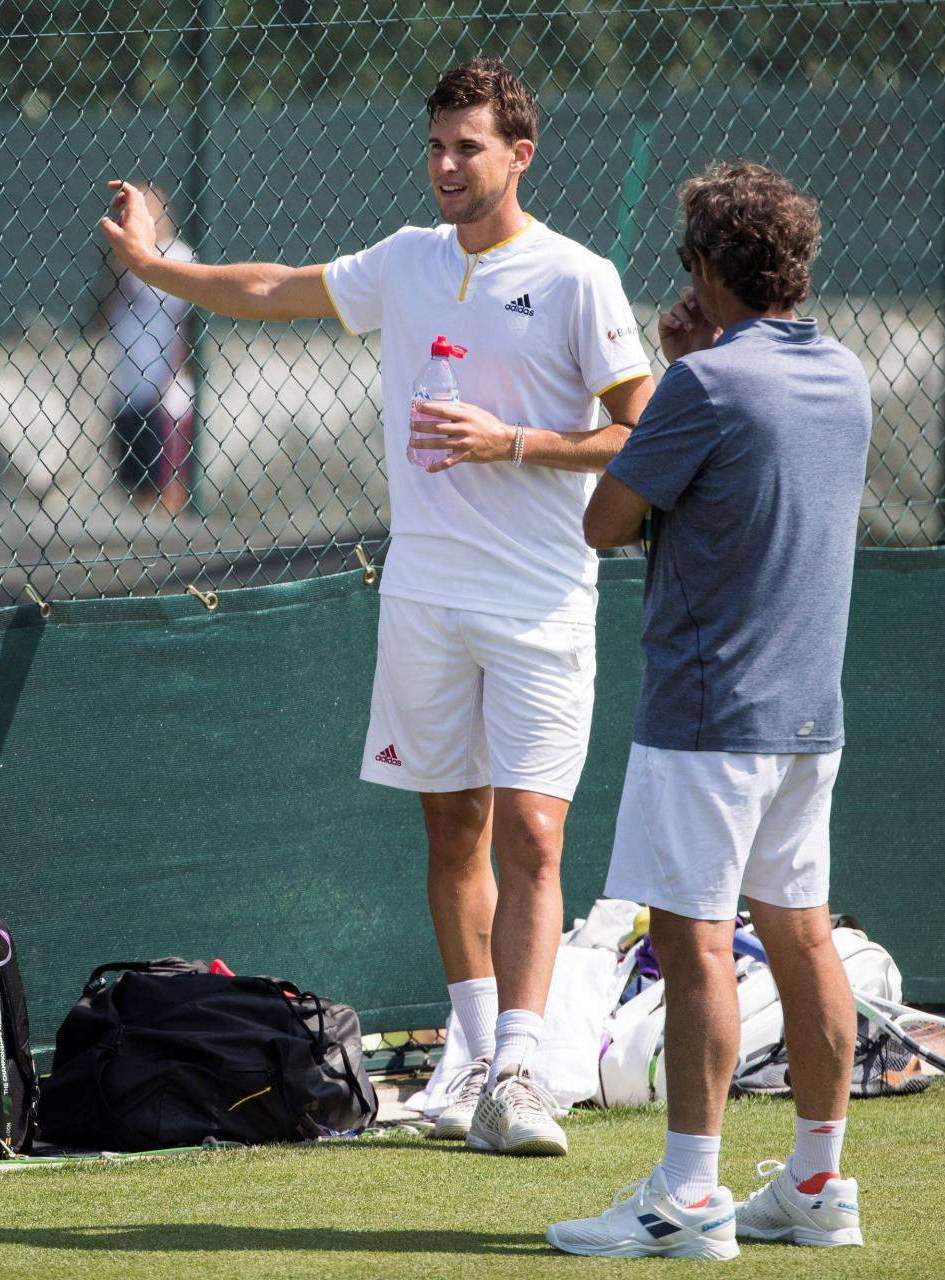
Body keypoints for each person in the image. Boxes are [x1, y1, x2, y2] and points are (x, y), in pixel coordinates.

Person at [99, 56, 653, 1155]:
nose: (446, 166)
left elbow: (642, 432)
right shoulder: (403, 262)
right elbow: (272, 288)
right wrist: (155, 270)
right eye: (436, 146)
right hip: (422, 599)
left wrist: (515, 444)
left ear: (517, 154)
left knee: (533, 836)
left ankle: (523, 1072)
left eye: (468, 148)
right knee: (451, 827)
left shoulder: (579, 277)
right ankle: (480, 1057)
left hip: (542, 600)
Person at [547, 162, 871, 1258]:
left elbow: (604, 520)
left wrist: (682, 366)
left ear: (707, 267)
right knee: (799, 933)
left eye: (687, 259)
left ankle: (687, 1195)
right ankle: (818, 1180)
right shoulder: (845, 376)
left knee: (692, 944)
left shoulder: (701, 386)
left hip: (704, 713)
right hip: (805, 722)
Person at [87, 182, 197, 514]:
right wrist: (116, 263)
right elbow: (98, 315)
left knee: (168, 479)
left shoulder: (180, 257)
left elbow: (187, 320)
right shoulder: (119, 261)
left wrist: (179, 366)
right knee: (135, 481)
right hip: (127, 384)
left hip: (166, 387)